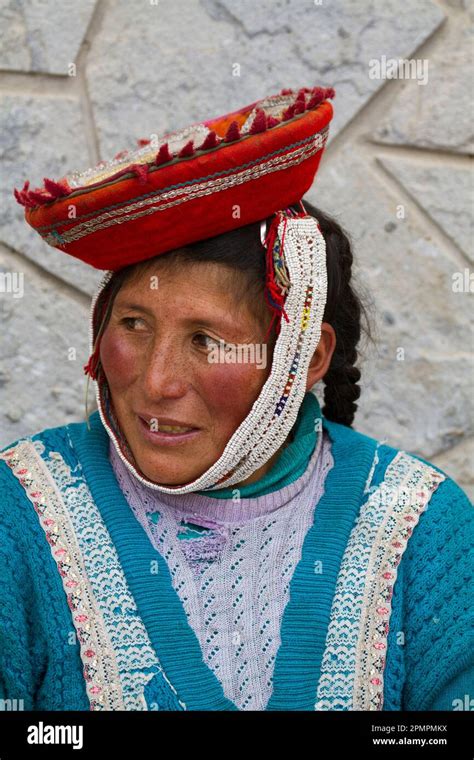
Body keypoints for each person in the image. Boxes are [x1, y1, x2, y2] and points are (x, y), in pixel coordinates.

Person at [1, 86, 472, 712]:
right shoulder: (21, 512)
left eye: (205, 340)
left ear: (306, 360)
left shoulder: (417, 526)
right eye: (134, 324)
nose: (156, 381)